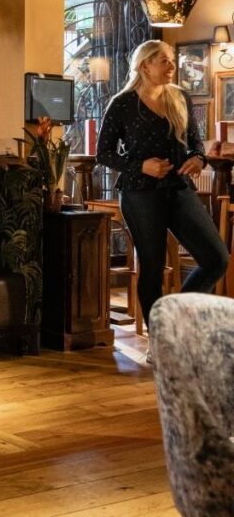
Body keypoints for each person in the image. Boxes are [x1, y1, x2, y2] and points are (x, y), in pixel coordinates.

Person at [96, 40, 228, 339]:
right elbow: (103, 153)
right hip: (140, 192)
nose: (172, 66)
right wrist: (141, 165)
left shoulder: (180, 97)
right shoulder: (123, 103)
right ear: (145, 65)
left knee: (216, 258)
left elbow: (195, 142)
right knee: (153, 268)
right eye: (164, 61)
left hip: (179, 189)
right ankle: (161, 341)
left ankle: (175, 317)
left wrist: (198, 158)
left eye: (171, 60)